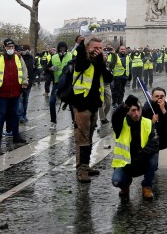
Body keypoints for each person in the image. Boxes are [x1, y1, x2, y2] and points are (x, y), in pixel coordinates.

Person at [72, 37, 113, 182]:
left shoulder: (100, 62)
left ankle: (86, 165)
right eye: (95, 48)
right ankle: (81, 170)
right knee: (82, 138)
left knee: (88, 137)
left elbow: (109, 78)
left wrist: (102, 63)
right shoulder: (83, 59)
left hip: (95, 103)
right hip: (82, 102)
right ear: (89, 48)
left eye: (100, 48)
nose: (98, 51)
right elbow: (81, 64)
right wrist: (81, 45)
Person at [111, 95, 159, 200]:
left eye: (138, 110)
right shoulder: (120, 124)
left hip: (141, 161)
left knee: (154, 157)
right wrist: (124, 105)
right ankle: (125, 186)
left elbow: (155, 143)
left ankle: (147, 186)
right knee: (117, 181)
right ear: (128, 111)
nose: (136, 113)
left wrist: (141, 156)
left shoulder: (148, 123)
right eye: (133, 110)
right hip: (125, 165)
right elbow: (115, 116)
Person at [0, 39, 29, 145]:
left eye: (12, 47)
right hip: (3, 93)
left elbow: (24, 71)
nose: (10, 49)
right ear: (4, 47)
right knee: (1, 114)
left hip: (16, 92)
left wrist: (24, 83)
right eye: (8, 47)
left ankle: (16, 135)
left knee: (15, 114)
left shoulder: (18, 57)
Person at [141, 87, 167, 174]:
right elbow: (141, 128)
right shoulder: (147, 107)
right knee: (153, 167)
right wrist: (152, 122)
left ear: (165, 97)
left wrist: (163, 110)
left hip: (164, 137)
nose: (159, 98)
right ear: (152, 97)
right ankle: (152, 163)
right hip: (152, 138)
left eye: (162, 96)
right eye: (157, 96)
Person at [47, 41, 73, 128]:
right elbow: (46, 69)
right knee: (52, 102)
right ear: (58, 49)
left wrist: (72, 68)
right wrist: (51, 68)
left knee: (71, 103)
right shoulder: (53, 57)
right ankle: (53, 121)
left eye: (64, 48)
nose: (62, 50)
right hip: (57, 83)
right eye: (61, 48)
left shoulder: (70, 55)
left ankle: (74, 121)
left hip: (68, 83)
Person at [18, 45, 36, 124]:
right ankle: (20, 116)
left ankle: (24, 115)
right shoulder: (19, 58)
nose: (27, 51)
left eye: (28, 49)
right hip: (20, 82)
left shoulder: (32, 58)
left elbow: (35, 69)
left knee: (26, 100)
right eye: (25, 49)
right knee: (20, 100)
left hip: (29, 82)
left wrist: (32, 78)